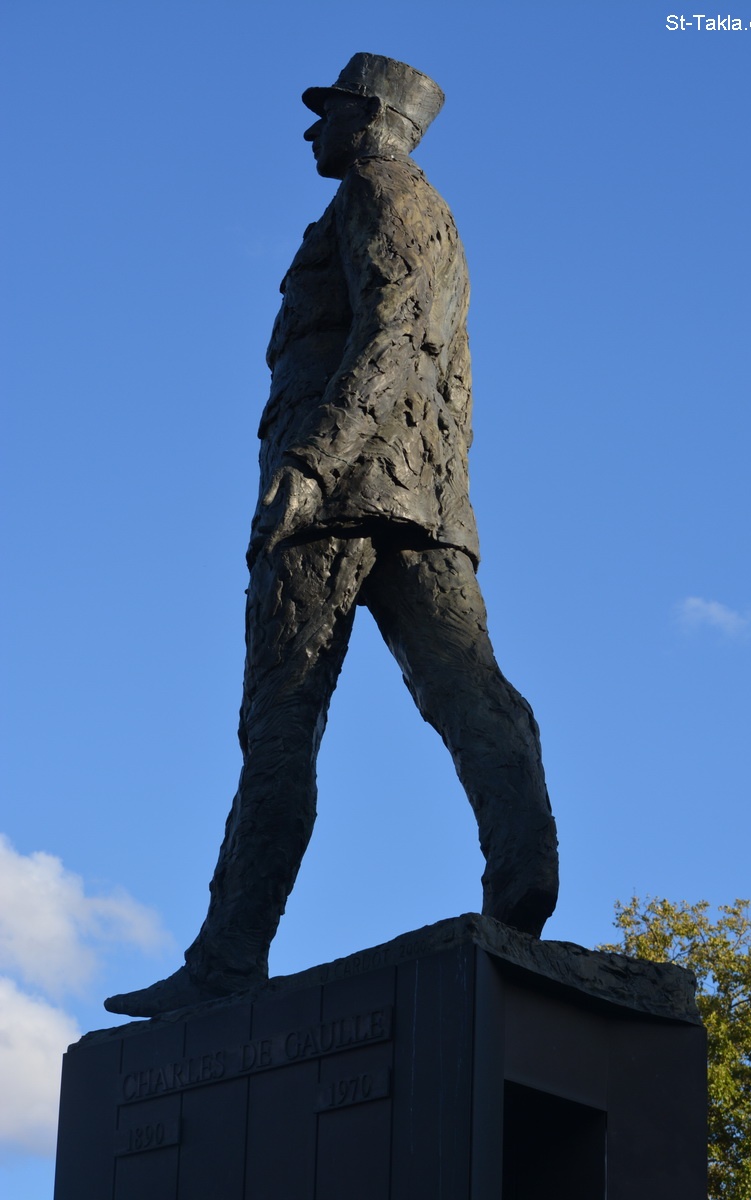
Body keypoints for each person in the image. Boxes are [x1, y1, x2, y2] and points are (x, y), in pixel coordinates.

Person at [106, 53, 558, 1018]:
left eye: (331, 112)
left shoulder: (378, 192)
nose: (312, 130)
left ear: (373, 117)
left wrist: (311, 464)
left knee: (282, 719)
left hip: (334, 498)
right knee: (465, 684)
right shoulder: (416, 206)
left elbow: (395, 330)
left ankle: (227, 960)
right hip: (425, 501)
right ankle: (523, 867)